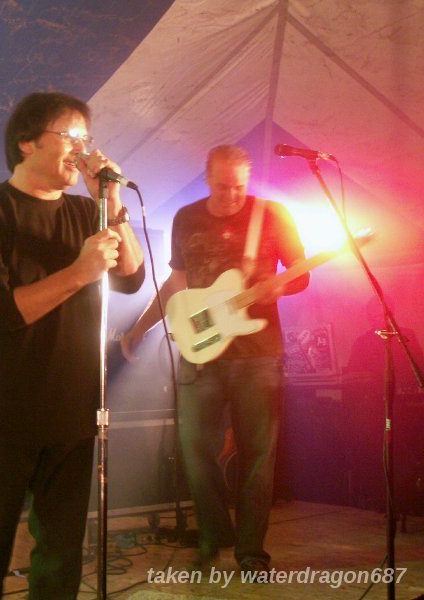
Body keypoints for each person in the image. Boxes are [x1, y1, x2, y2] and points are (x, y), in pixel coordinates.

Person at [0, 91, 145, 598]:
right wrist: (78, 273)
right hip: (5, 411)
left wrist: (112, 202)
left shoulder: (87, 212)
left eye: (86, 138)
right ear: (27, 142)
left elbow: (131, 277)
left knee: (61, 549)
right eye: (69, 136)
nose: (80, 149)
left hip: (73, 407)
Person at [120, 145, 310, 575]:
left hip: (257, 355)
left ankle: (251, 553)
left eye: (239, 187)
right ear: (207, 179)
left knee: (257, 457)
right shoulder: (187, 217)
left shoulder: (273, 214)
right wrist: (141, 327)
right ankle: (214, 534)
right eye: (223, 187)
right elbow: (178, 283)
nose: (231, 196)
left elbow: (302, 271)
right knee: (194, 450)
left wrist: (278, 287)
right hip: (200, 350)